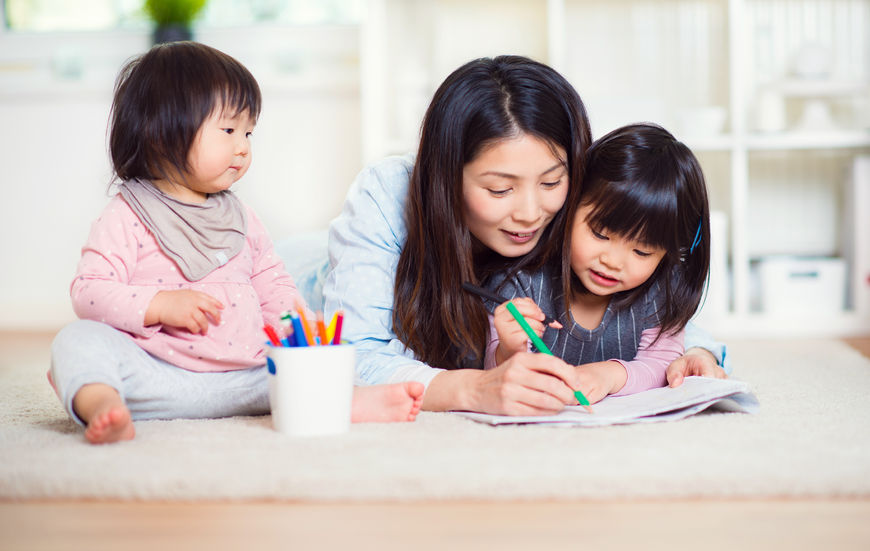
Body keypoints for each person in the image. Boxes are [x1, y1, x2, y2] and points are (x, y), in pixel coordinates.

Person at [49, 42, 422, 445]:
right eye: (228, 130)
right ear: (161, 135)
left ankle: (345, 401)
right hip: (161, 373)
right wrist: (160, 305)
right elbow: (89, 292)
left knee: (319, 353)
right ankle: (104, 405)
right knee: (77, 342)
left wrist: (297, 323)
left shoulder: (242, 217)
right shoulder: (128, 214)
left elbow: (272, 281)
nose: (243, 147)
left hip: (248, 375)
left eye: (248, 132)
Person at [324, 55, 728, 417]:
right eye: (500, 190)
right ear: (446, 178)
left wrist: (696, 352)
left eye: (552, 182)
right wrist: (475, 388)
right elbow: (354, 356)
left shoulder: (582, 203)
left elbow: (651, 301)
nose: (532, 214)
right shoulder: (387, 194)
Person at [486, 123, 712, 405]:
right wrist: (508, 350)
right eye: (600, 234)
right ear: (571, 204)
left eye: (641, 251)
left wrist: (609, 375)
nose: (612, 261)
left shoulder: (660, 289)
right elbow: (492, 377)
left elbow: (662, 365)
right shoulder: (521, 281)